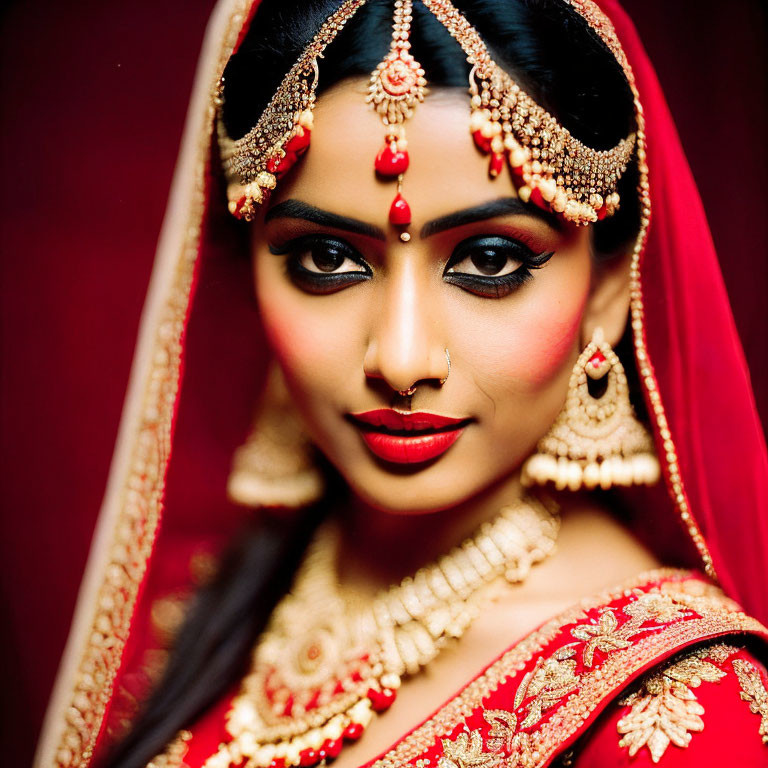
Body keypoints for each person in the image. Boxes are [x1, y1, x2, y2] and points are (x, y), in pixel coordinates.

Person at [35, 1, 768, 767]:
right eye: (325, 259)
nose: (402, 359)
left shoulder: (678, 712)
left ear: (610, 290)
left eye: (489, 260)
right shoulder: (218, 591)